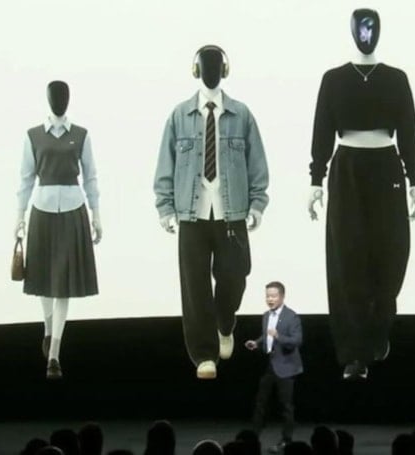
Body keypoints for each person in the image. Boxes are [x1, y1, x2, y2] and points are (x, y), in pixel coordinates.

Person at [307, 8, 415, 380]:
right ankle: (354, 354)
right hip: (347, 170)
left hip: (387, 167)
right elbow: (322, 130)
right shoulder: (333, 79)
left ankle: (379, 328)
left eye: (372, 27)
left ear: (381, 31)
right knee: (347, 257)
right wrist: (315, 179)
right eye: (361, 27)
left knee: (391, 253)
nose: (366, 34)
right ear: (351, 31)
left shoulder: (396, 79)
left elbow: (409, 130)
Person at [154, 45, 269, 379]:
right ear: (196, 70)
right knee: (195, 287)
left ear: (225, 70)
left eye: (216, 65)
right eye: (205, 65)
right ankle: (204, 355)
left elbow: (257, 164)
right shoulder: (179, 116)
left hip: (232, 213)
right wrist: (165, 208)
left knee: (236, 275)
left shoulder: (242, 115)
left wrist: (257, 204)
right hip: (191, 215)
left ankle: (224, 322)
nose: (211, 71)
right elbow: (165, 165)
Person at [16, 80, 102, 379]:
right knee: (43, 278)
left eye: (64, 97)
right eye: (55, 97)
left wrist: (96, 214)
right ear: (48, 99)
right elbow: (26, 178)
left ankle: (54, 353)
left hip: (72, 211)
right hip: (42, 210)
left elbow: (90, 177)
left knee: (63, 283)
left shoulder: (81, 135)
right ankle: (48, 328)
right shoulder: (33, 135)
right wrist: (19, 216)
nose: (59, 101)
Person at [245, 281, 303, 453]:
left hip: (287, 368)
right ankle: (252, 439)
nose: (270, 299)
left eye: (273, 296)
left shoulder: (291, 317)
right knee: (260, 403)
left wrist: (279, 337)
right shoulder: (266, 316)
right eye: (267, 296)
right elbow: (266, 336)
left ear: (282, 296)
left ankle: (286, 441)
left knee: (286, 407)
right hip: (270, 366)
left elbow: (297, 341)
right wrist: (256, 343)